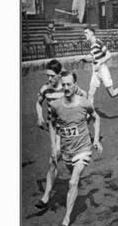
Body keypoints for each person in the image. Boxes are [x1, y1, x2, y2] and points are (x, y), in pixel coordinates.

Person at [48, 71, 103, 226]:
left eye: (69, 84)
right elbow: (51, 125)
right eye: (63, 84)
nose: (66, 87)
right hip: (67, 151)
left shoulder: (84, 103)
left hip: (83, 149)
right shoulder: (56, 105)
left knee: (72, 182)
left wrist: (96, 140)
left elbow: (96, 117)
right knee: (74, 180)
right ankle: (74, 191)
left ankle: (66, 220)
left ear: (75, 85)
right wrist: (53, 147)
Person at [35, 60, 88, 210]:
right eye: (47, 76)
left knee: (63, 159)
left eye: (52, 76)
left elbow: (84, 96)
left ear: (59, 75)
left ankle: (73, 183)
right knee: (54, 158)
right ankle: (45, 196)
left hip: (69, 129)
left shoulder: (68, 88)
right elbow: (38, 102)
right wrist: (39, 117)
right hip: (55, 130)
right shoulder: (46, 89)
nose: (49, 79)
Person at [82, 27, 118, 103]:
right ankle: (89, 113)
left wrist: (99, 63)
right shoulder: (92, 45)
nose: (85, 35)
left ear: (92, 33)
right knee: (90, 93)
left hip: (102, 70)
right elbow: (94, 58)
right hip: (95, 70)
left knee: (112, 94)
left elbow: (108, 55)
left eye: (86, 33)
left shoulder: (98, 42)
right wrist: (86, 59)